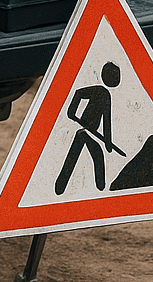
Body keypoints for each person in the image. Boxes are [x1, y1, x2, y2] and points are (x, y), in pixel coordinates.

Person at [54, 62, 125, 195]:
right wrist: (71, 111)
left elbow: (106, 121)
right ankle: (101, 189)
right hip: (86, 131)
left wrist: (108, 142)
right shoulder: (101, 92)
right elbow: (79, 93)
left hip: (88, 132)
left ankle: (60, 187)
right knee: (95, 155)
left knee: (74, 158)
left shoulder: (104, 94)